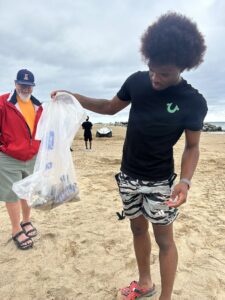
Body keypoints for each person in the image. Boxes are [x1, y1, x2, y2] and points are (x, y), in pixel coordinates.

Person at [51, 12, 207, 300]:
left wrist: (185, 181)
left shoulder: (193, 102)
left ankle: (166, 296)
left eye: (165, 73)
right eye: (152, 70)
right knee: (137, 228)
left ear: (184, 66)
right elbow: (110, 107)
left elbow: (193, 146)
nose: (155, 78)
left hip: (161, 181)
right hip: (127, 176)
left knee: (164, 240)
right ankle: (145, 282)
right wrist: (73, 96)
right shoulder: (136, 81)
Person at [0, 69, 42, 250]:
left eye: (29, 86)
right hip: (9, 157)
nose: (25, 89)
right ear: (15, 84)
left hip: (32, 157)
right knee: (12, 194)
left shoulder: (39, 106)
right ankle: (16, 229)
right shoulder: (3, 102)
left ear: (33, 87)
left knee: (27, 191)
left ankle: (26, 222)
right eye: (22, 85)